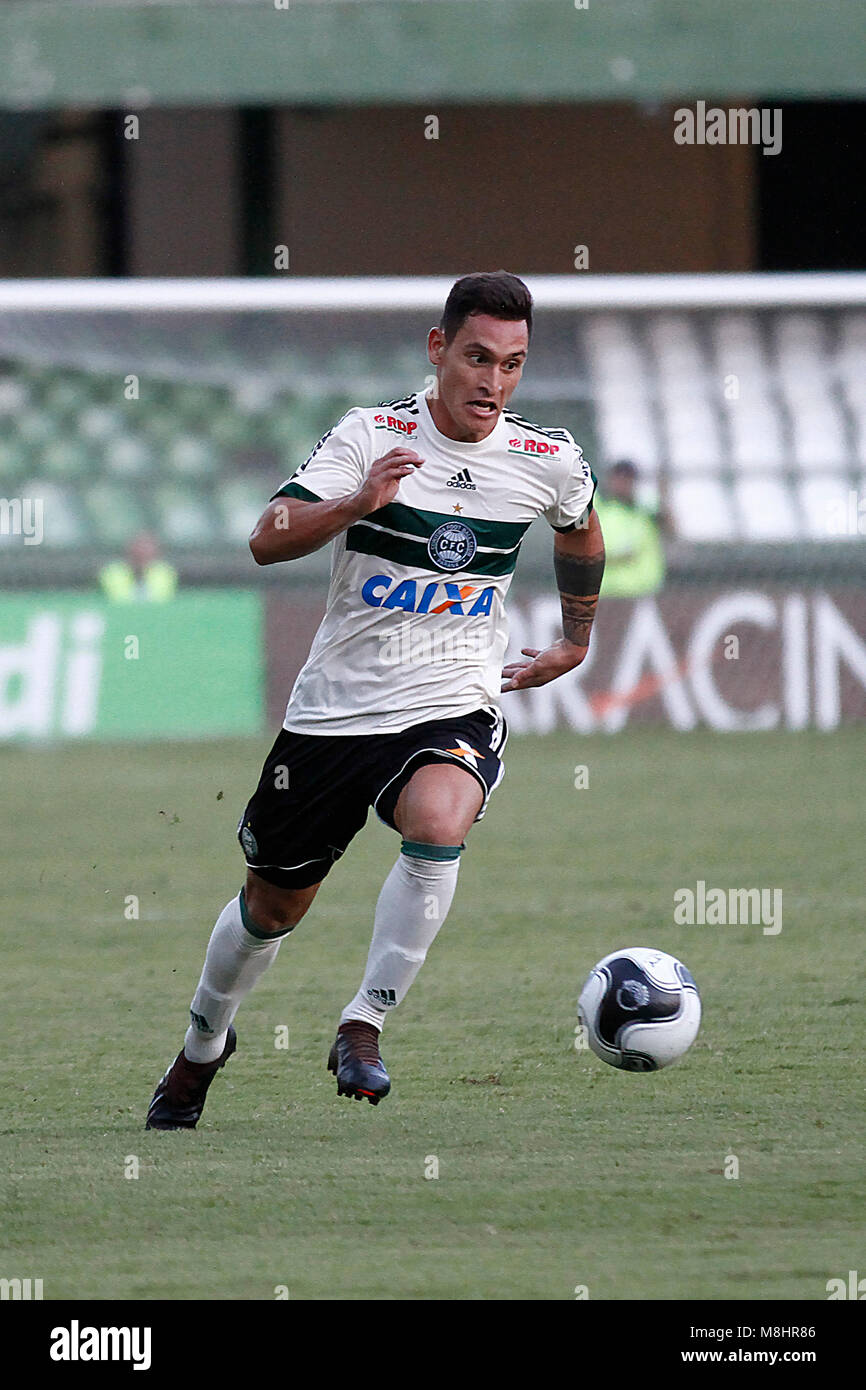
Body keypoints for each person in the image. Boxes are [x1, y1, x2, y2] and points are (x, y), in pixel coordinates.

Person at [145, 270, 605, 1129]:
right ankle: (203, 1045)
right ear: (439, 350)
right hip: (335, 715)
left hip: (453, 700)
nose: (493, 383)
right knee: (269, 909)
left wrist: (576, 638)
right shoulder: (369, 435)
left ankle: (365, 1022)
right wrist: (359, 502)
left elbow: (579, 524)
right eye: (477, 358)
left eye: (512, 365)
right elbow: (264, 539)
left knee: (440, 818)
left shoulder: (546, 459)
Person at [591, 459, 666, 597]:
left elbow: (670, 529)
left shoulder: (645, 510)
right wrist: (615, 558)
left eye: (628, 479)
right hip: (607, 594)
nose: (623, 484)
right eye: (619, 478)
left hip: (644, 592)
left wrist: (664, 495)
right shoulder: (598, 509)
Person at [99, 532, 178, 603]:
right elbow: (119, 601)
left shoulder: (164, 572)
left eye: (147, 551)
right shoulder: (113, 572)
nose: (142, 554)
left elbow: (160, 600)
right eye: (139, 551)